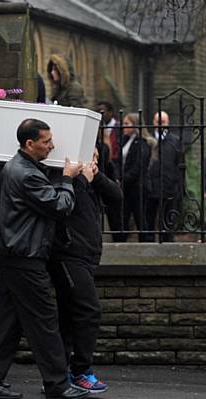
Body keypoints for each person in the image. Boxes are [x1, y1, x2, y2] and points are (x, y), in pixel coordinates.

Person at [0, 118, 88, 399]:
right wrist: (66, 179)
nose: (52, 146)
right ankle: (57, 384)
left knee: (7, 321)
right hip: (25, 256)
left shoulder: (17, 168)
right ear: (30, 144)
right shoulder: (26, 174)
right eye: (46, 141)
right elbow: (61, 207)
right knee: (44, 321)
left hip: (14, 256)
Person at [48, 147, 122, 395]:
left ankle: (62, 374)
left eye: (97, 154)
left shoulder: (91, 178)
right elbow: (62, 208)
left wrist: (96, 175)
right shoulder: (62, 177)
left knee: (69, 316)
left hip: (86, 255)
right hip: (67, 255)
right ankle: (80, 371)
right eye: (90, 154)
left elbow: (116, 196)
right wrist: (78, 179)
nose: (95, 158)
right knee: (89, 311)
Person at [112, 113, 154, 242]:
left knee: (140, 218)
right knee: (123, 217)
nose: (123, 127)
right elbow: (118, 161)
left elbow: (138, 167)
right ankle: (120, 242)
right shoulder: (124, 140)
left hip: (138, 187)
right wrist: (118, 177)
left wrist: (123, 180)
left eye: (126, 124)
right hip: (125, 186)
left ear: (135, 125)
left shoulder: (142, 143)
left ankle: (146, 243)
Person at [146, 110, 182, 242]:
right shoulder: (147, 140)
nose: (160, 124)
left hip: (168, 187)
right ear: (153, 123)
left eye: (163, 121)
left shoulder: (175, 141)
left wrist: (177, 185)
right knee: (148, 220)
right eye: (158, 121)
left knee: (167, 221)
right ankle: (148, 245)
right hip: (149, 187)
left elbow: (180, 165)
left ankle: (167, 244)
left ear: (168, 123)